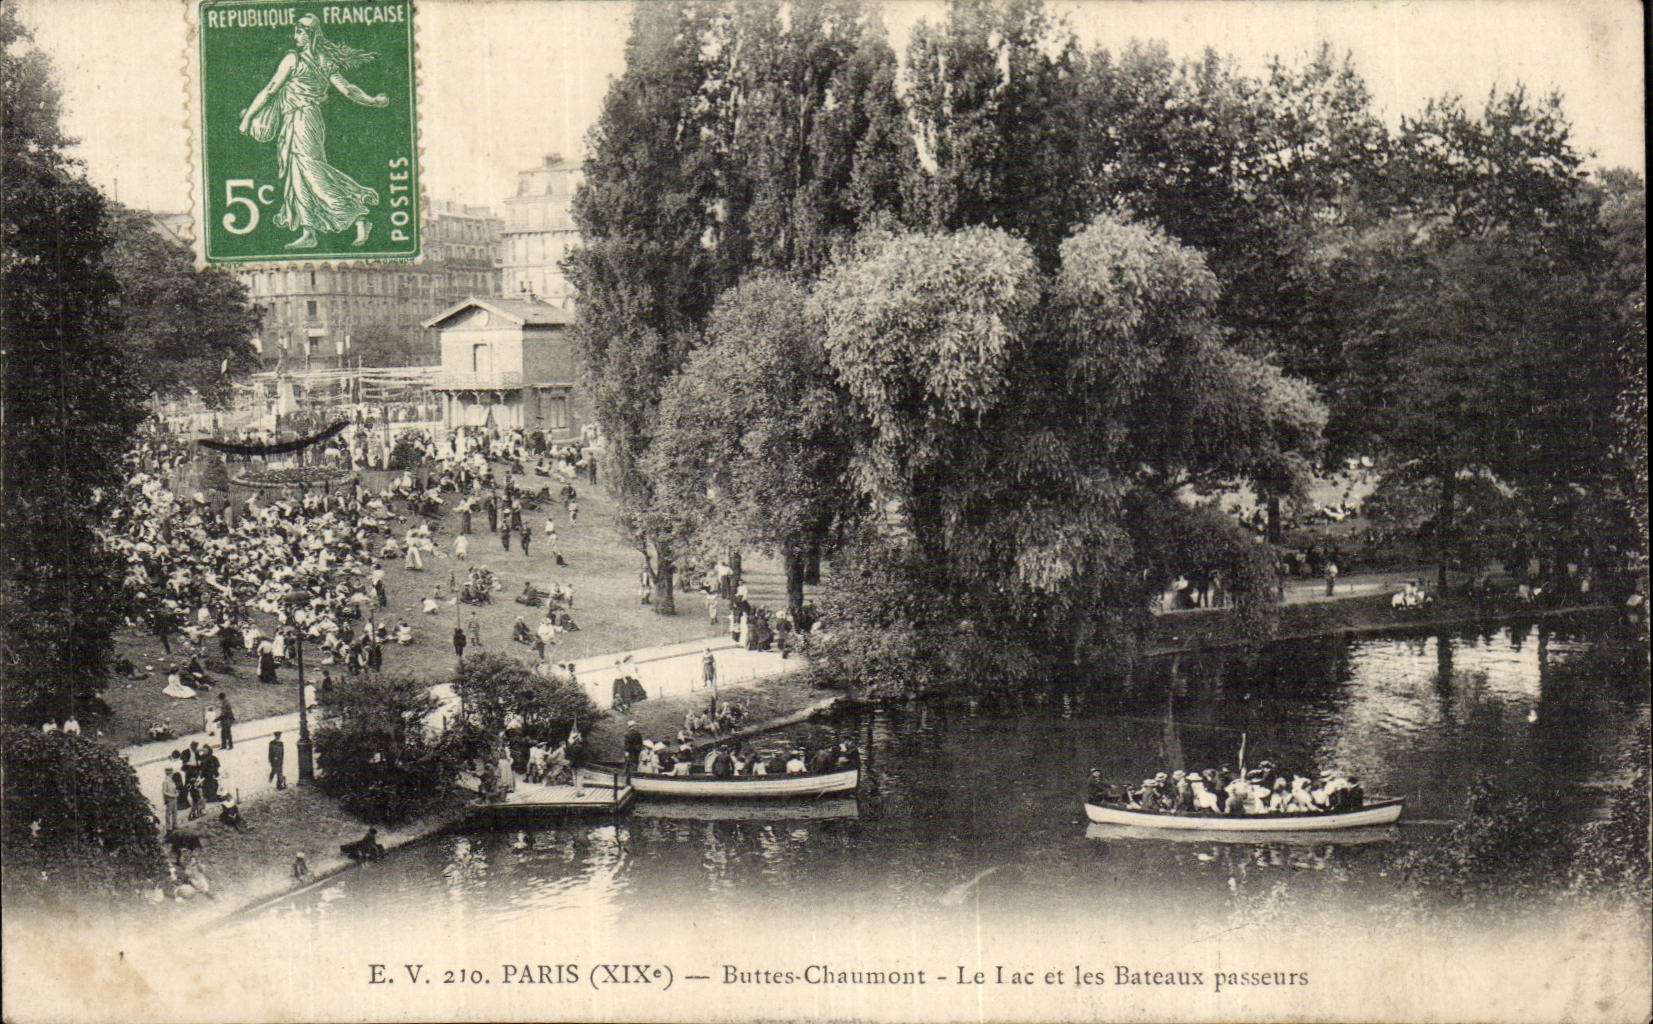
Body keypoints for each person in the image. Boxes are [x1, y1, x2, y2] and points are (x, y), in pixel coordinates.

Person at [236, 13, 387, 250]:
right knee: (297, 175)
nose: (295, 36)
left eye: (299, 31)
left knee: (312, 171)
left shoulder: (294, 59)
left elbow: (270, 90)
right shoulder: (322, 60)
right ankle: (309, 231)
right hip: (295, 120)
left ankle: (358, 216)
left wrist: (247, 117)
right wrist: (372, 100)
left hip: (304, 120)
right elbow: (348, 90)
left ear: (311, 34)